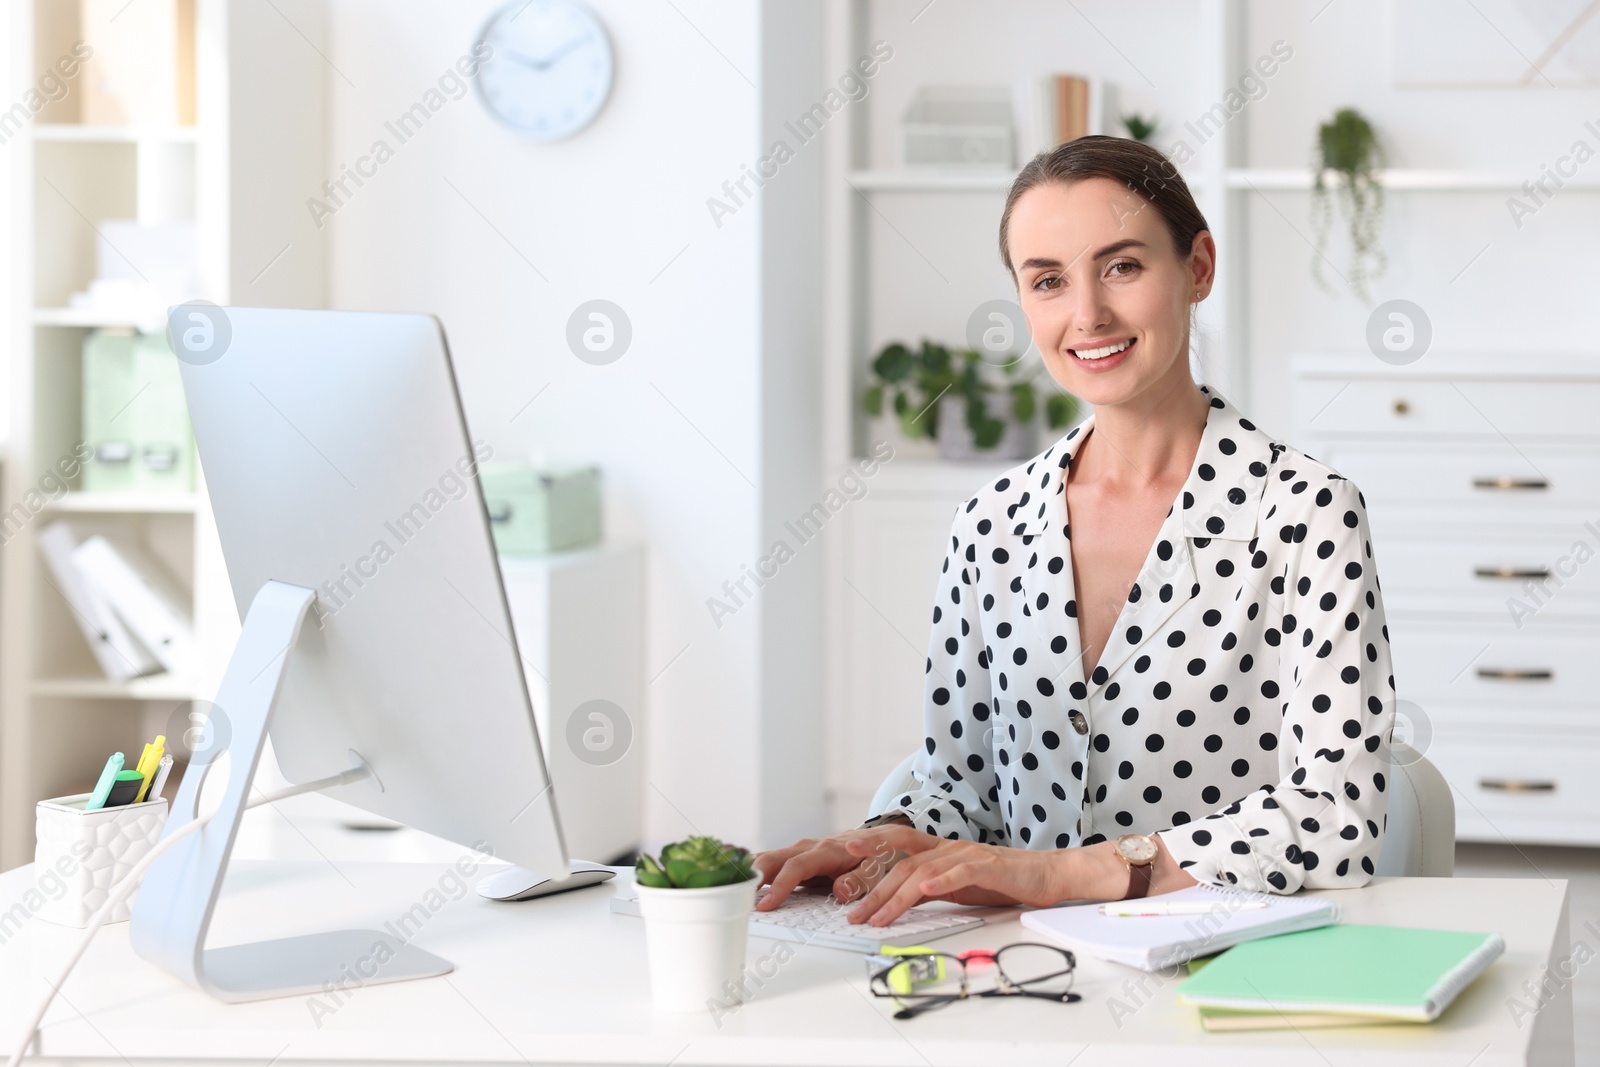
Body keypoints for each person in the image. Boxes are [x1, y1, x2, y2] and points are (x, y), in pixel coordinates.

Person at [753, 135, 1398, 927]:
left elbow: (1337, 820)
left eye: (1122, 266)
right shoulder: (988, 524)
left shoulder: (1304, 511)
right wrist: (875, 844)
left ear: (1197, 267)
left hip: (1228, 968)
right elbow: (963, 788)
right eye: (1049, 281)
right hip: (1022, 972)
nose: (1087, 313)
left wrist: (1065, 874)